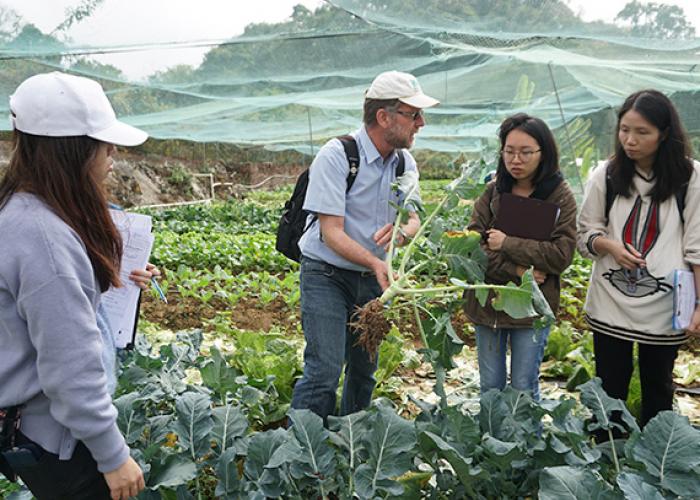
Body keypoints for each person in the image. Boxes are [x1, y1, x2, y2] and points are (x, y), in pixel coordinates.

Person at [0, 72, 148, 499]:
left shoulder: (23, 210)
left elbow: (56, 308)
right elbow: (70, 368)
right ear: (72, 151)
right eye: (104, 144)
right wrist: (113, 456)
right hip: (60, 440)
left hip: (39, 430)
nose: (113, 153)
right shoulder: (43, 237)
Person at [289, 71, 438, 420]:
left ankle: (350, 440)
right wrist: (375, 262)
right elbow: (331, 233)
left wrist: (403, 232)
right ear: (384, 117)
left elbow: (414, 218)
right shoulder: (337, 155)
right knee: (324, 371)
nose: (421, 123)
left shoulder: (404, 163)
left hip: (374, 280)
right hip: (327, 275)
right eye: (413, 114)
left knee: (363, 372)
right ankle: (304, 445)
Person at [577, 89, 700, 428]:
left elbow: (697, 247)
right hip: (610, 301)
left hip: (665, 305)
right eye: (624, 130)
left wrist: (698, 304)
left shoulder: (690, 178)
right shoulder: (605, 174)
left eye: (642, 132)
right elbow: (585, 234)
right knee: (609, 390)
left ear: (664, 133)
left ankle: (657, 455)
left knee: (658, 389)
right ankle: (608, 453)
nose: (630, 140)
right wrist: (610, 246)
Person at [463, 113, 577, 401]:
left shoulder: (559, 196)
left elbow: (561, 255)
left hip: (533, 308)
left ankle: (525, 433)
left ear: (543, 153)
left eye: (526, 152)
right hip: (489, 305)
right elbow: (473, 249)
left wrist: (507, 243)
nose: (516, 160)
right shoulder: (492, 192)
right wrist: (518, 270)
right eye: (509, 151)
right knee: (491, 386)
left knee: (524, 387)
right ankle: (492, 432)